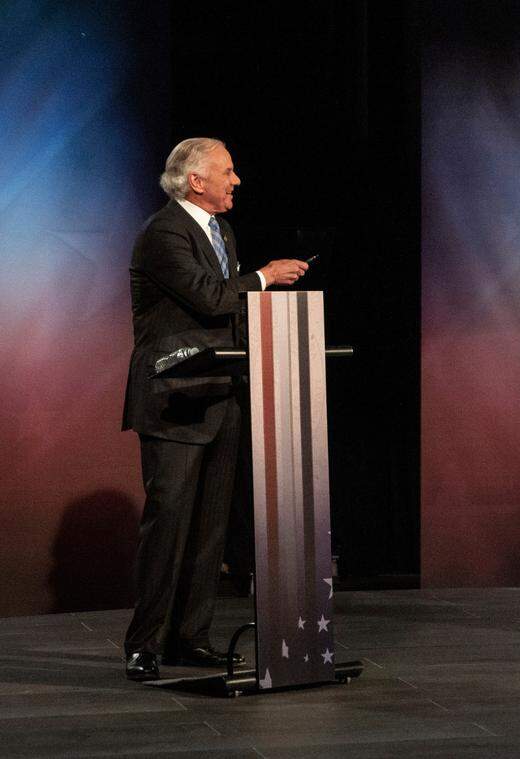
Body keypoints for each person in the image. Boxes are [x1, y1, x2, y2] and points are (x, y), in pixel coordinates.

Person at [121, 138, 309, 681]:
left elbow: (228, 307)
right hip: (175, 399)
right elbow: (208, 295)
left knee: (209, 530)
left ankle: (190, 637)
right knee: (169, 525)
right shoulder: (163, 233)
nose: (237, 180)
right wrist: (264, 278)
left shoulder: (221, 230)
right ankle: (145, 643)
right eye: (227, 171)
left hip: (220, 394)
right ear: (195, 180)